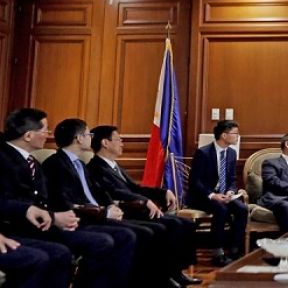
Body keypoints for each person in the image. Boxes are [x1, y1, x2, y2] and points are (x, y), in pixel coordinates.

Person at [0, 108, 136, 288]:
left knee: (63, 252)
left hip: (41, 224)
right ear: (28, 135)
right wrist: (53, 216)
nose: (48, 135)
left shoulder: (32, 161)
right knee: (46, 256)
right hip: (17, 228)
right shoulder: (4, 158)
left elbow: (42, 201)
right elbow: (11, 201)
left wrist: (56, 217)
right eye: (45, 130)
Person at [42, 118, 176, 287]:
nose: (91, 137)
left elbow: (97, 190)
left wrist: (110, 205)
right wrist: (103, 212)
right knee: (129, 235)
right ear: (78, 138)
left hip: (96, 215)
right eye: (88, 134)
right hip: (80, 219)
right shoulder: (55, 164)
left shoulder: (80, 164)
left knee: (145, 231)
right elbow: (64, 200)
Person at [87, 125, 201, 286]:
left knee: (186, 224)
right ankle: (162, 275)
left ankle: (176, 271)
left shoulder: (114, 165)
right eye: (119, 139)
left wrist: (162, 192)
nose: (122, 144)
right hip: (126, 210)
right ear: (105, 142)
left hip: (137, 206)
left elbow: (135, 188)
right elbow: (115, 191)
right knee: (170, 225)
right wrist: (145, 201)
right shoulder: (96, 167)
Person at [187, 120, 248, 266]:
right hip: (203, 196)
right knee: (221, 209)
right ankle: (217, 253)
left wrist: (230, 191)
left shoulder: (232, 153)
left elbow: (232, 179)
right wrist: (213, 195)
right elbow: (195, 181)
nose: (238, 137)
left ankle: (234, 250)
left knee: (242, 209)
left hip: (224, 195)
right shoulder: (203, 152)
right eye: (235, 134)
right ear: (224, 135)